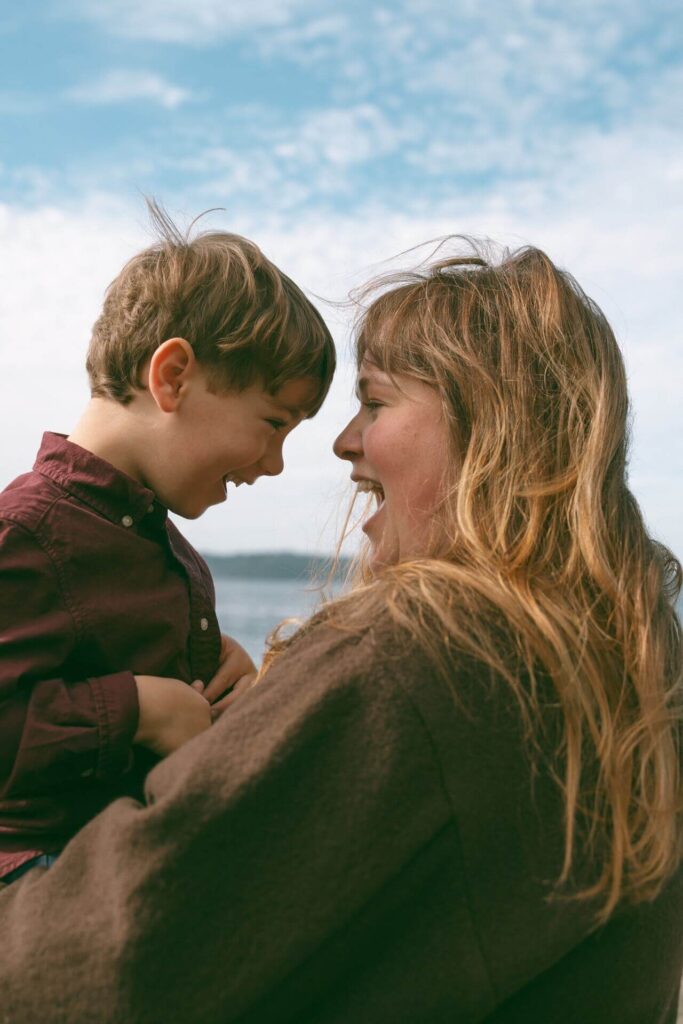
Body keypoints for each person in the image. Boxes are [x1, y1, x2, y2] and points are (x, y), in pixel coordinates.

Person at [1, 242, 681, 1024]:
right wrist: (250, 730)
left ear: (486, 423)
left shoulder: (418, 657)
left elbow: (88, 971)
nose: (339, 443)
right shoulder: (630, 668)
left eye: (376, 403)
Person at [0, 202, 335, 886]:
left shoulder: (169, 554)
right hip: (31, 884)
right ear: (172, 377)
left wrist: (225, 688)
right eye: (272, 423)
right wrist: (135, 710)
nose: (273, 463)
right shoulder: (28, 532)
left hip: (115, 859)